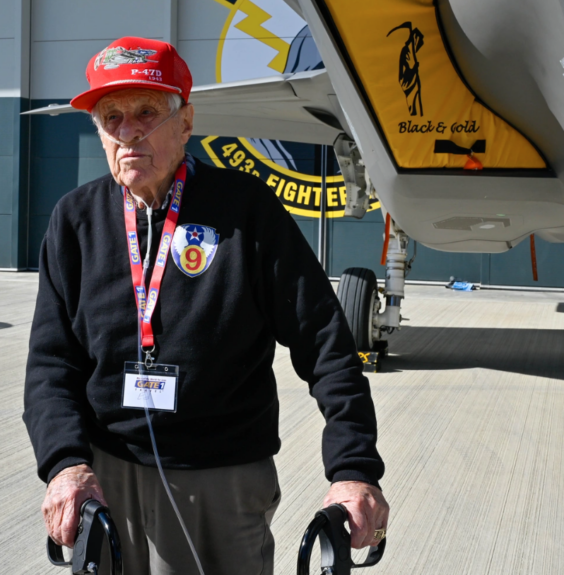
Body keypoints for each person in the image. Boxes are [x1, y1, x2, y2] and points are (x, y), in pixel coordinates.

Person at [23, 36, 389, 575]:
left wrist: (354, 469)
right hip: (105, 475)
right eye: (111, 117)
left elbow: (326, 343)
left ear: (186, 121)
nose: (128, 132)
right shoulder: (74, 220)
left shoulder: (247, 211)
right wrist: (65, 466)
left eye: (147, 112)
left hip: (221, 477)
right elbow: (51, 363)